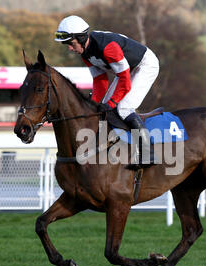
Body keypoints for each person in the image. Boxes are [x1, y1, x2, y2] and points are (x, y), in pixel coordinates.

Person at [54, 15, 159, 169]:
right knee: (102, 107)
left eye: (70, 43)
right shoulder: (84, 53)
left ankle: (148, 152)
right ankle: (111, 146)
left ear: (81, 38)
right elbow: (100, 81)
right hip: (127, 71)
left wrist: (111, 103)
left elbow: (124, 80)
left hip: (145, 65)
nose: (69, 48)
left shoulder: (108, 48)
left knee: (123, 108)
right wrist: (94, 104)